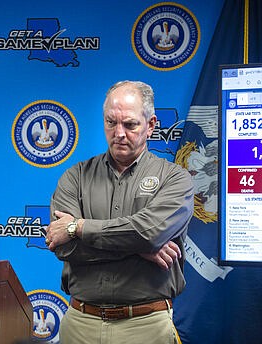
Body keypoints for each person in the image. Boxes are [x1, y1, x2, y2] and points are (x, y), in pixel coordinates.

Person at [45, 80, 194, 343]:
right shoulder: (75, 177)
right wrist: (140, 249)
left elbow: (148, 233)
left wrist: (78, 228)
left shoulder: (175, 179)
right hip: (81, 323)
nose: (119, 133)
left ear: (151, 125)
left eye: (130, 124)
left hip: (146, 326)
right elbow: (64, 248)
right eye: (111, 122)